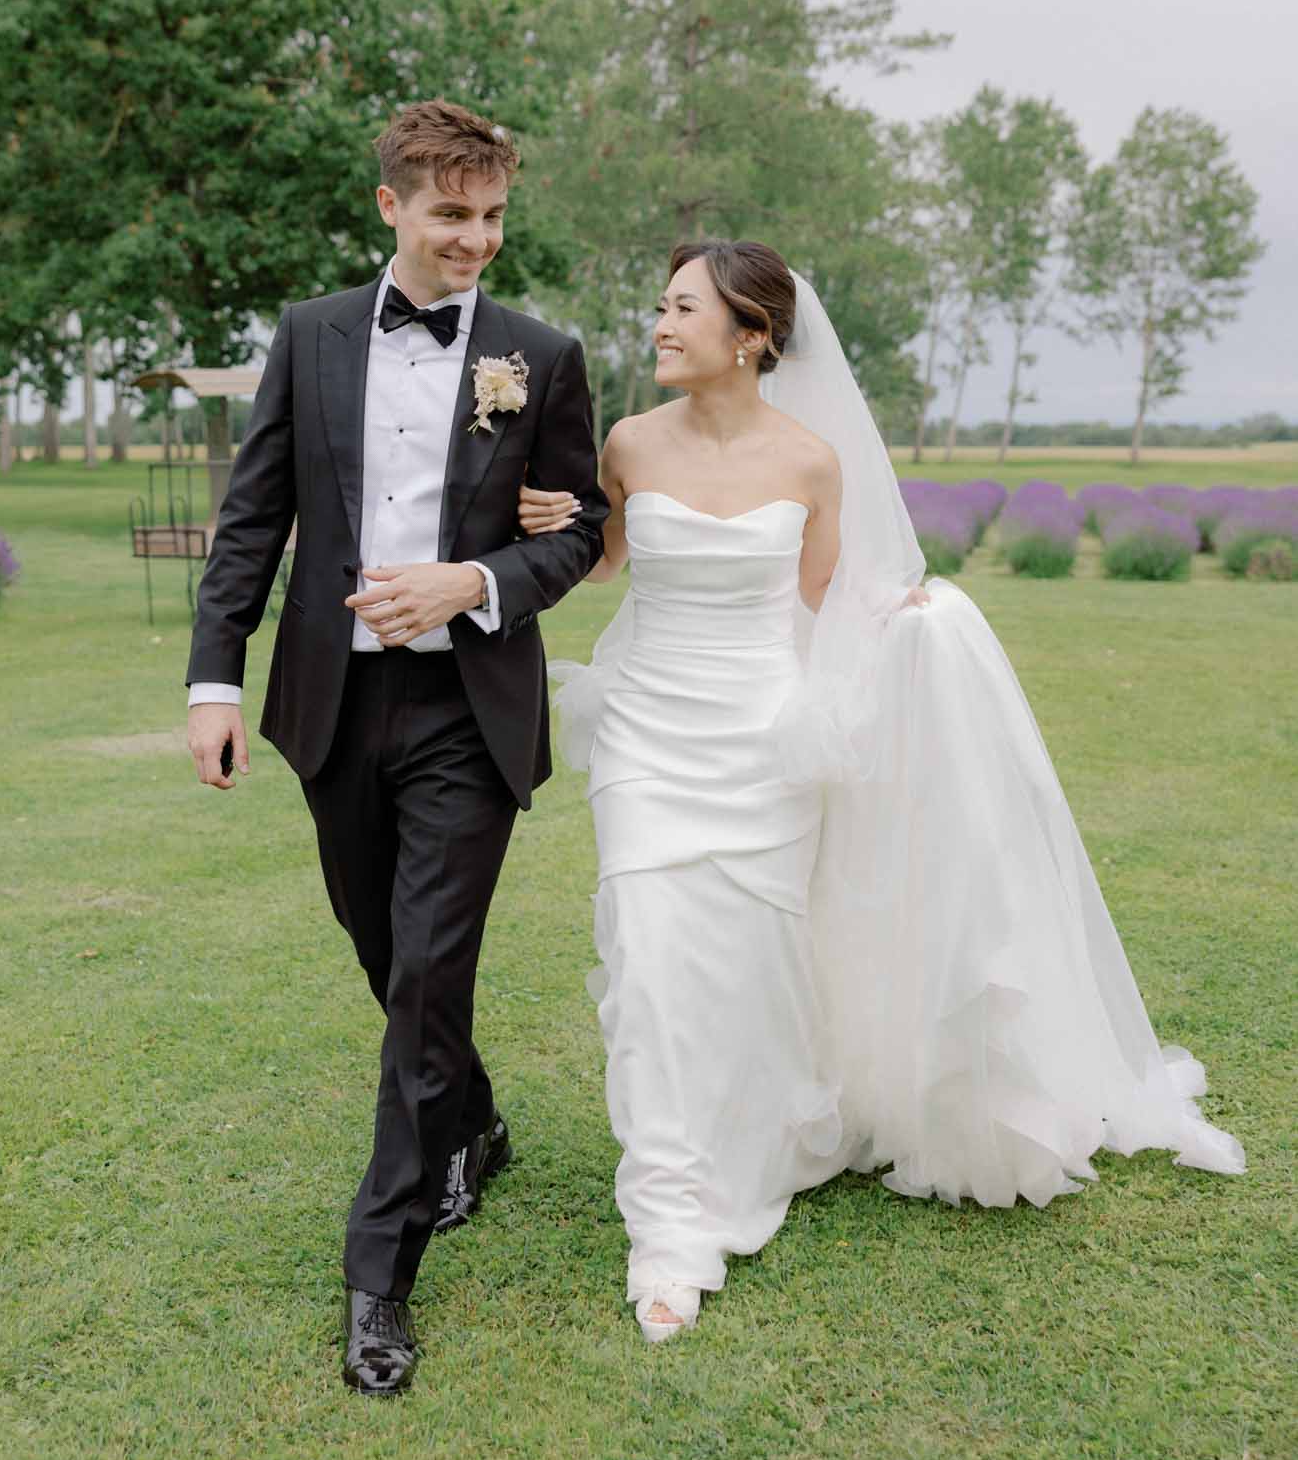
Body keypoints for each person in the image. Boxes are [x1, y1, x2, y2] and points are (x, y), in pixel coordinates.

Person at [520, 239, 1245, 1344]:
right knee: (653, 957)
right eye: (658, 306)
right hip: (648, 736)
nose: (658, 326)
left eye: (680, 309)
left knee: (756, 967)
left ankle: (769, 1134)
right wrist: (552, 522)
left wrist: (912, 624)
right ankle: (668, 1222)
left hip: (763, 739)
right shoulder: (627, 441)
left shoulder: (812, 461)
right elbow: (610, 556)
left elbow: (824, 601)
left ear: (750, 335)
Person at [184, 100, 607, 1394]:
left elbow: (578, 527)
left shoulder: (541, 355)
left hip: (469, 719)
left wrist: (472, 584)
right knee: (383, 953)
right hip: (335, 706)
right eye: (449, 215)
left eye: (490, 216)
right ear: (391, 207)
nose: (475, 240)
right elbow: (253, 518)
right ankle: (470, 1116)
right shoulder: (309, 337)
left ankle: (382, 1273)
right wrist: (213, 678)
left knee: (426, 977)